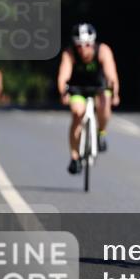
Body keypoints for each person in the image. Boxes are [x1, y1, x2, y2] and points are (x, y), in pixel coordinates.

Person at [57, 24, 120, 174]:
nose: (83, 49)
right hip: (78, 89)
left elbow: (112, 76)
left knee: (105, 103)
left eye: (87, 45)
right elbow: (63, 76)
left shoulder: (103, 51)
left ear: (93, 43)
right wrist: (63, 93)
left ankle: (101, 133)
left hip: (99, 87)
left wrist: (115, 93)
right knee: (77, 113)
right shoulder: (70, 53)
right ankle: (74, 157)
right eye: (79, 45)